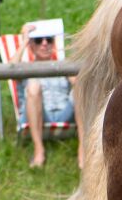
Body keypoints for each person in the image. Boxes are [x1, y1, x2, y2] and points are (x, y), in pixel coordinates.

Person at [15, 20, 82, 168]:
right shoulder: (25, 67)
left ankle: (83, 148)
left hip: (64, 113)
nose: (44, 43)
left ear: (53, 44)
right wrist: (25, 41)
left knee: (79, 88)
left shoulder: (63, 65)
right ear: (31, 46)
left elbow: (78, 82)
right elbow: (10, 68)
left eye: (49, 40)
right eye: (39, 40)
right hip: (36, 114)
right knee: (33, 87)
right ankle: (39, 150)